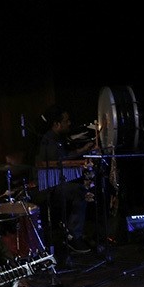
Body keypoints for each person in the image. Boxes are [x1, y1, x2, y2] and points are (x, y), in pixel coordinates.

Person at [35, 104, 95, 254]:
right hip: (49, 187)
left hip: (57, 182)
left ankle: (76, 233)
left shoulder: (58, 139)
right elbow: (59, 161)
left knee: (82, 188)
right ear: (56, 124)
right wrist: (82, 154)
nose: (69, 123)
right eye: (66, 121)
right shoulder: (48, 140)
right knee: (80, 192)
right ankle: (73, 236)